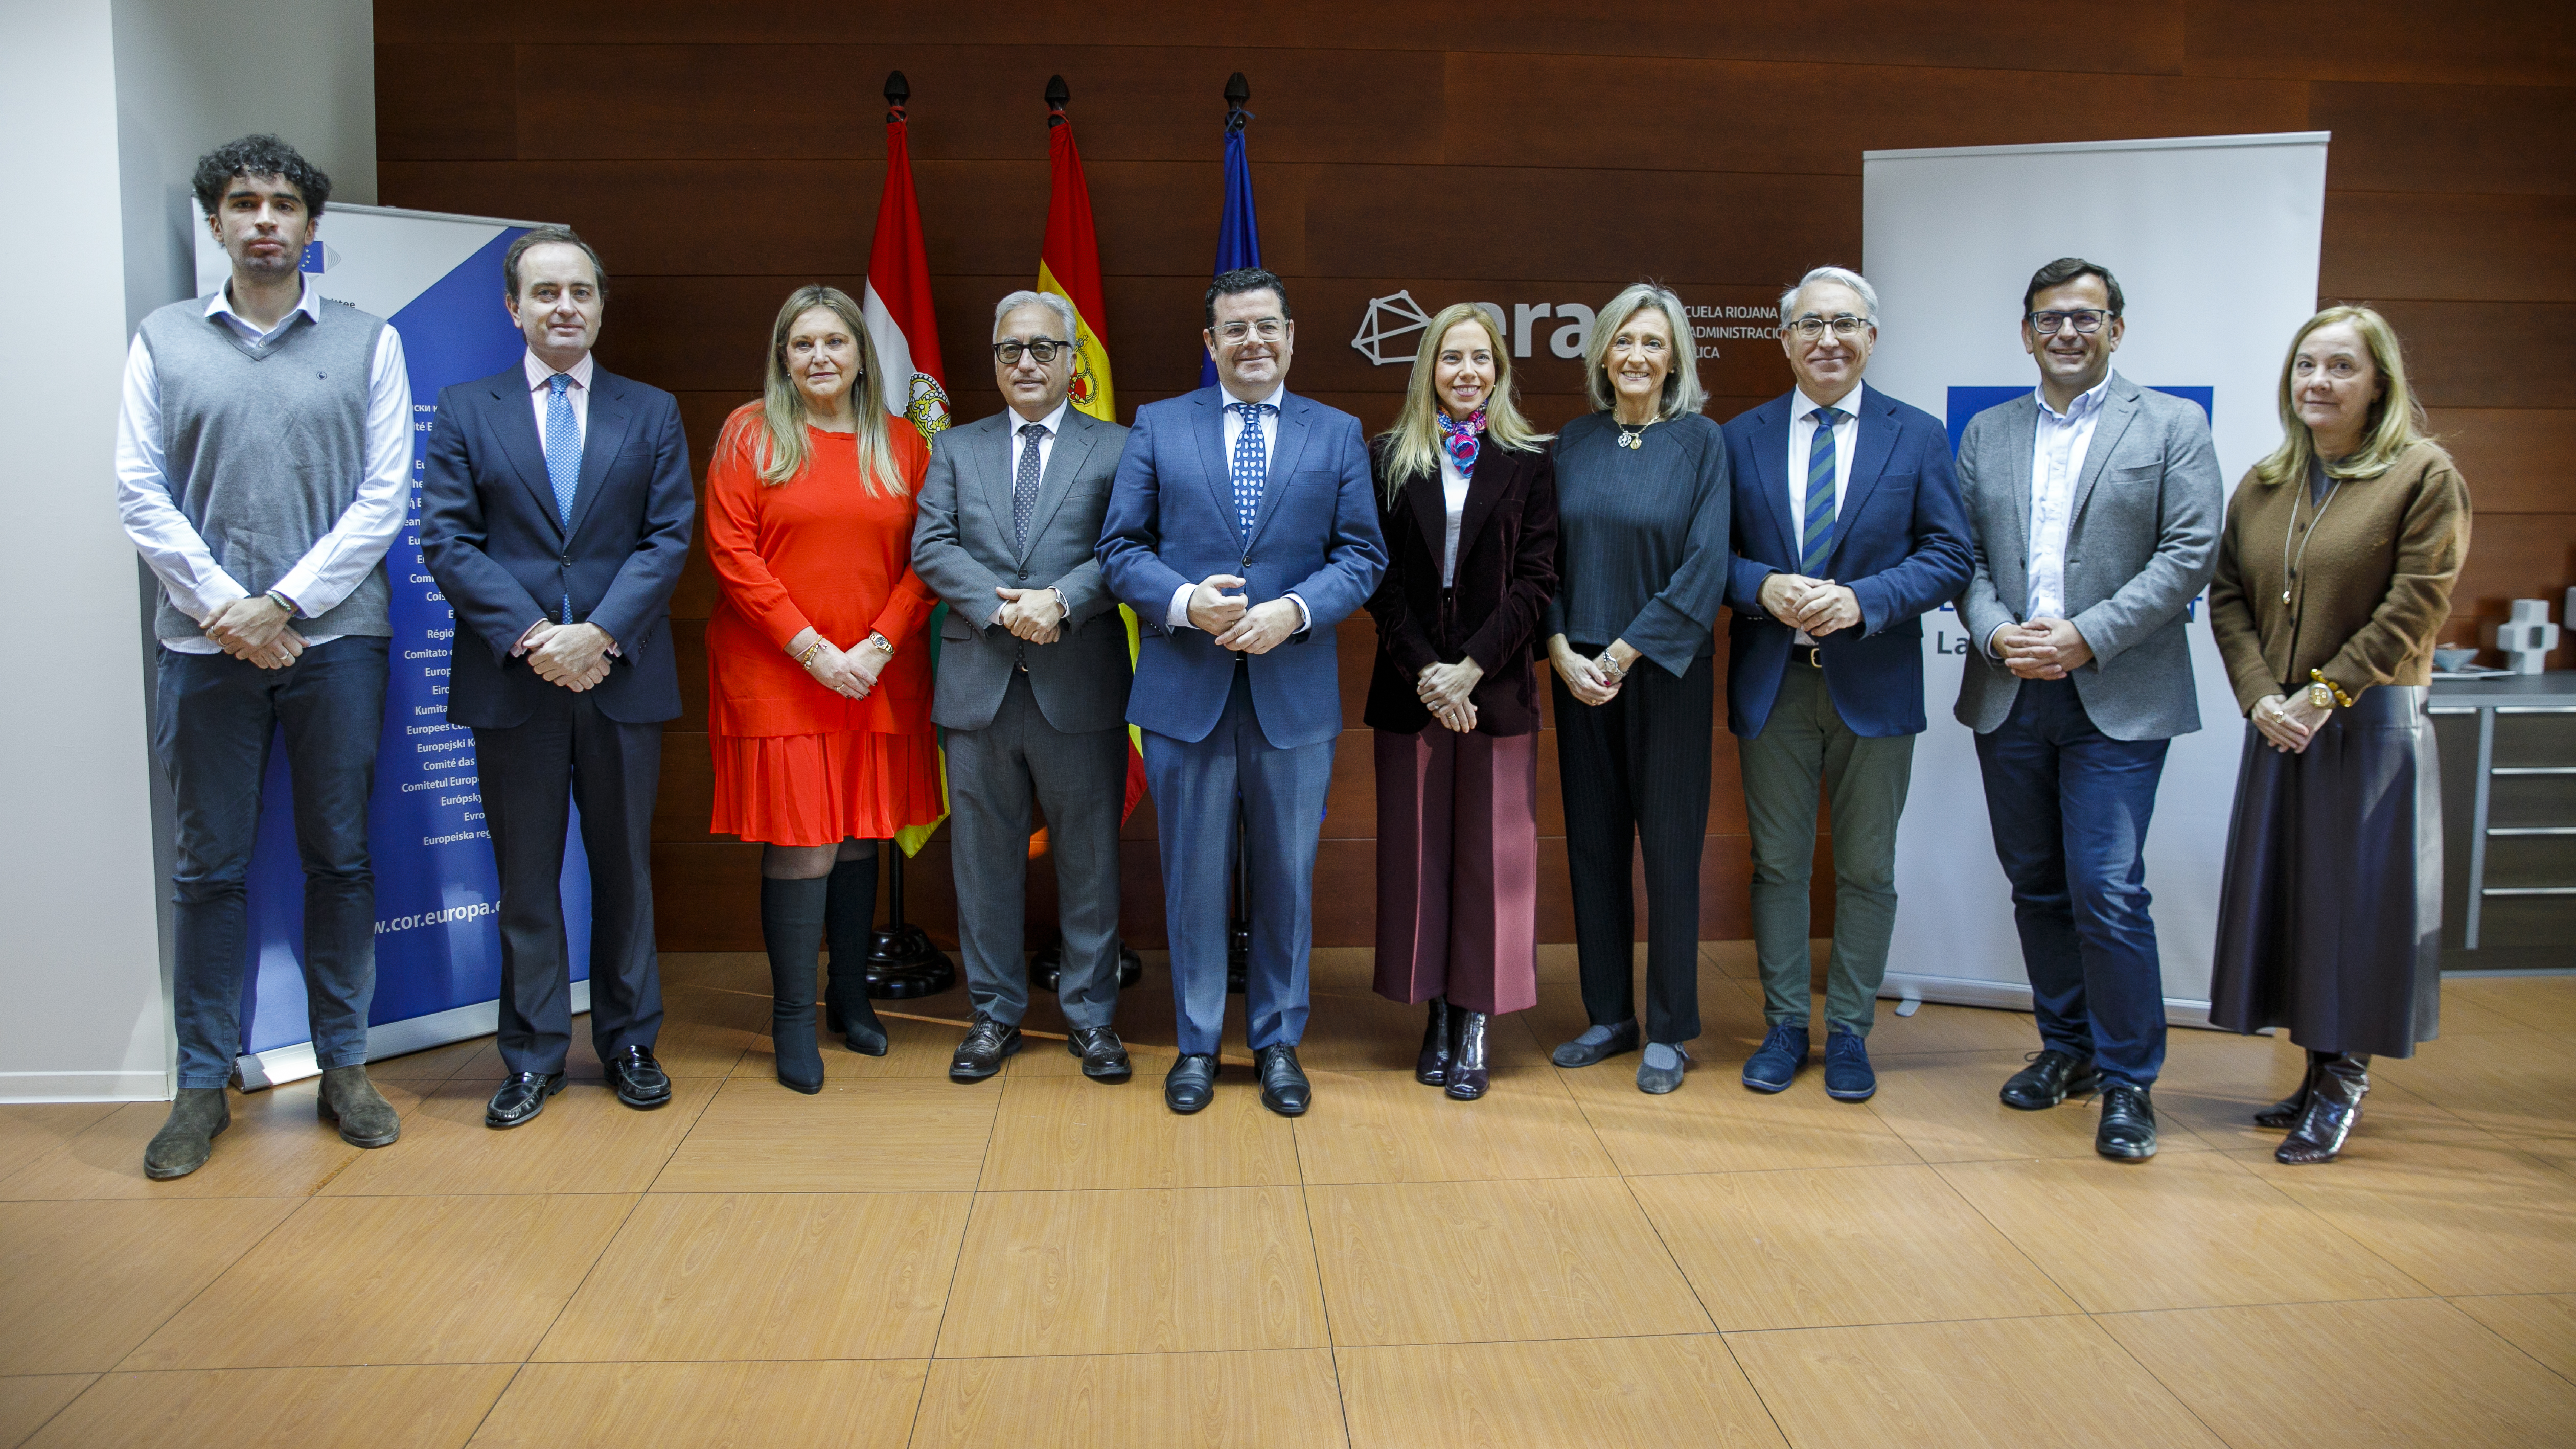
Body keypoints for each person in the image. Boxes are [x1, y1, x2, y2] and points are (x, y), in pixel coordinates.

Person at [118, 134, 410, 1178]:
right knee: (208, 870)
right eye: (244, 204)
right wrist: (229, 611)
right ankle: (202, 1085)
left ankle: (346, 1068)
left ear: (313, 227)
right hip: (202, 650)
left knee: (341, 859)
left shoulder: (369, 340)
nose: (265, 221)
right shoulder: (161, 340)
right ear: (216, 224)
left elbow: (384, 495)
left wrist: (283, 600)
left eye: (285, 205)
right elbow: (138, 491)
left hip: (338, 645)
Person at [419, 226, 695, 1128]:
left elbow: (667, 540)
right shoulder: (466, 409)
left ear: (602, 306)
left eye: (580, 291)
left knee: (624, 872)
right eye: (545, 293)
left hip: (620, 678)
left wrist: (601, 634)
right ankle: (533, 1056)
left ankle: (629, 1044)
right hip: (515, 680)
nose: (564, 306)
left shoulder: (651, 410)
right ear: (514, 308)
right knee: (527, 878)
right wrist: (539, 636)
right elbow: (447, 542)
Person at [1097, 267, 1387, 1117]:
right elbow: (1121, 549)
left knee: (1287, 876)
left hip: (1291, 693)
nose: (1252, 342)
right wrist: (1187, 604)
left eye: (1267, 327)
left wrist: (1293, 612)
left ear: (1292, 335)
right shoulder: (1157, 426)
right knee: (1191, 875)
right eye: (1235, 329)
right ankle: (1194, 1045)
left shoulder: (1336, 434)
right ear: (1211, 343)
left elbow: (1363, 557)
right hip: (1186, 689)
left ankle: (1277, 1041)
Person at [1953, 257, 2223, 1161]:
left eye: (2085, 316)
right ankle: (2065, 1051)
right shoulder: (1987, 433)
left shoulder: (2174, 425)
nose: (2066, 331)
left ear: (2116, 328)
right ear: (2025, 332)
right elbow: (1965, 559)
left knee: (2106, 890)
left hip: (2119, 694)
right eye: (2048, 318)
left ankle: (2128, 1082)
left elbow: (2189, 553)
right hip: (2010, 690)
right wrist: (1996, 637)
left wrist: (2085, 636)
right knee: (2037, 886)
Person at [2207, 306, 2470, 1164]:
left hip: (2366, 726)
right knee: (2294, 903)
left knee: (2354, 908)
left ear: (2379, 383)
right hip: (2280, 723)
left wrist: (2326, 694)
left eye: (2341, 368)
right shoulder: (2269, 479)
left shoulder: (2423, 475)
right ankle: (2313, 1068)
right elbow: (2227, 597)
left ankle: (2343, 1081)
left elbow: (2417, 601)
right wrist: (2259, 697)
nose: (2318, 383)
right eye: (2306, 367)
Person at [1720, 266, 1972, 1103]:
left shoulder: (1920, 435)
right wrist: (1760, 585)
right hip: (1775, 683)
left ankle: (1853, 1030)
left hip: (1877, 681)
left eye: (1847, 324)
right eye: (1812, 324)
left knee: (1869, 867)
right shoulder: (1740, 436)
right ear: (1785, 338)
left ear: (1872, 337)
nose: (1829, 339)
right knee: (1779, 865)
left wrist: (1864, 600)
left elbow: (1949, 556)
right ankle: (1788, 1023)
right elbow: (1704, 558)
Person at [701, 285, 938, 1093]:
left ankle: (851, 998)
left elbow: (930, 557)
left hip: (877, 671)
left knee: (862, 831)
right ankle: (793, 1017)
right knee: (806, 842)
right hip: (780, 671)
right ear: (783, 357)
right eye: (802, 344)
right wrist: (813, 650)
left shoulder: (903, 443)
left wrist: (873, 648)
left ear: (860, 355)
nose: (820, 358)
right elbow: (734, 556)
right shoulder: (749, 433)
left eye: (835, 342)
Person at [913, 291, 1133, 1085]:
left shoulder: (1117, 448)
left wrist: (1060, 602)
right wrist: (1002, 613)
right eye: (1012, 351)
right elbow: (930, 545)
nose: (1028, 363)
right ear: (995, 362)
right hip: (979, 685)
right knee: (983, 863)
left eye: (1045, 349)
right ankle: (994, 1016)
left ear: (1074, 362)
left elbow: (1129, 547)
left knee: (1090, 863)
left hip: (1081, 685)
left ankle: (1093, 1020)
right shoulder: (955, 448)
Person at [1364, 303, 1558, 1103]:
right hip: (1412, 693)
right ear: (1428, 371)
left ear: (1500, 371)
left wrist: (1471, 667)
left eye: (1481, 359)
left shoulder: (1532, 463)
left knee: (1492, 861)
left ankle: (1476, 1016)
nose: (1467, 373)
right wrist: (1430, 673)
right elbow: (1375, 579)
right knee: (1419, 859)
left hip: (1497, 691)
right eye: (1451, 359)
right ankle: (1435, 1012)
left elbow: (1539, 580)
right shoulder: (1386, 456)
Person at [1543, 283, 1732, 1095]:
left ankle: (1670, 1027)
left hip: (1663, 672)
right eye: (1624, 341)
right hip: (1576, 672)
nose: (1637, 357)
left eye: (1653, 344)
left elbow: (1707, 564)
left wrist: (1620, 654)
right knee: (1592, 846)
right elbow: (1540, 557)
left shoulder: (1701, 444)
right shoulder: (1571, 443)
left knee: (1669, 850)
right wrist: (1558, 650)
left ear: (1675, 358)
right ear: (1602, 354)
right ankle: (1610, 1014)